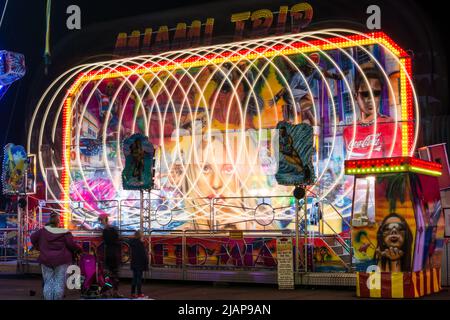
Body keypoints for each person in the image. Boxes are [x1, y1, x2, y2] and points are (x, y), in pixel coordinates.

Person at [343, 68, 402, 159]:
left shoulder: (389, 125)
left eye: (376, 94)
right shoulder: (348, 130)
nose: (371, 100)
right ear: (355, 96)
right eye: (365, 94)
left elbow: (395, 160)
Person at [30, 213, 81, 300]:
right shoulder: (65, 232)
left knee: (48, 282)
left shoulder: (42, 231)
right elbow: (71, 245)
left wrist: (38, 246)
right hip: (62, 260)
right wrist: (80, 250)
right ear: (59, 222)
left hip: (46, 260)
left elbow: (32, 237)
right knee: (59, 282)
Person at [98, 213, 123, 298]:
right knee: (114, 275)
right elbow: (116, 239)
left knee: (108, 276)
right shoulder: (112, 230)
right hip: (113, 255)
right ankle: (113, 292)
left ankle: (106, 292)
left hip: (108, 255)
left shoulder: (105, 231)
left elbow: (107, 241)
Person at [129, 230, 149, 298]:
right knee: (139, 279)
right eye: (142, 235)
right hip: (139, 263)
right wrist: (146, 263)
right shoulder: (140, 244)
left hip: (134, 262)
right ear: (140, 236)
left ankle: (132, 293)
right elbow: (143, 255)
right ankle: (139, 293)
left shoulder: (132, 242)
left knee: (134, 278)